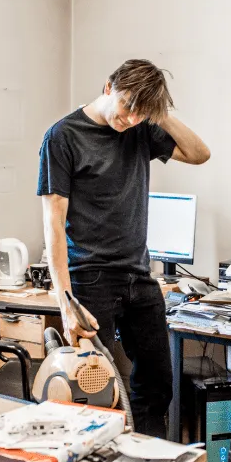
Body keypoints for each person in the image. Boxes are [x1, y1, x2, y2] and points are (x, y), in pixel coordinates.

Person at [37, 59, 211, 438]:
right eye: (127, 105)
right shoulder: (63, 137)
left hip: (138, 276)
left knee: (158, 383)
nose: (130, 118)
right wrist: (65, 301)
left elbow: (199, 154)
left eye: (141, 112)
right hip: (90, 279)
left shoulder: (142, 130)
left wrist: (158, 115)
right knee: (91, 390)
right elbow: (53, 225)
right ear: (108, 87)